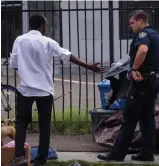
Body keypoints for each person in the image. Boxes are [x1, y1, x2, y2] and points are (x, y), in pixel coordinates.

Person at [8, 14, 104, 166]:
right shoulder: (48, 42)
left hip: (25, 90)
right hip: (45, 90)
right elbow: (67, 55)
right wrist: (89, 66)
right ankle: (41, 159)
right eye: (45, 25)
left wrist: (26, 70)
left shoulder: (19, 40)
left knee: (21, 122)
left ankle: (19, 157)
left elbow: (13, 63)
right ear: (41, 26)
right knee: (44, 124)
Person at [97, 10, 159, 161]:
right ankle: (147, 153)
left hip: (142, 83)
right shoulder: (155, 34)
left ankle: (116, 154)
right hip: (152, 82)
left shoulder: (143, 35)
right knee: (147, 119)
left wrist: (134, 69)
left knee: (129, 119)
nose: (130, 26)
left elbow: (143, 50)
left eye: (132, 23)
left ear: (140, 20)